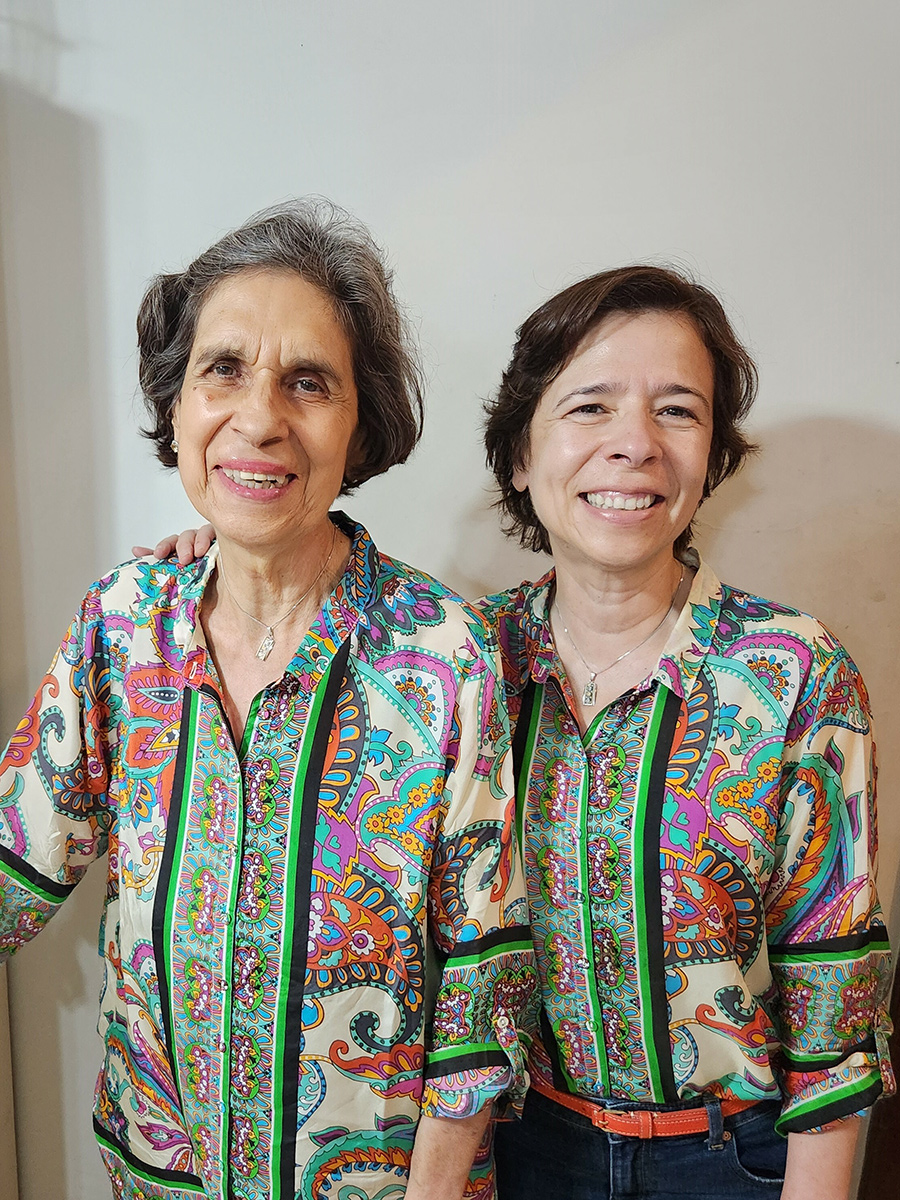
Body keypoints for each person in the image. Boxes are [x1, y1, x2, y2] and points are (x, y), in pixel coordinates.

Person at [146, 263, 894, 1199]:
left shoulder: (795, 673)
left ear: (712, 456)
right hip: (516, 1154)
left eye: (678, 411)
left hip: (731, 1161)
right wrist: (217, 552)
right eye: (588, 408)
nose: (635, 446)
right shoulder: (453, 662)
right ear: (518, 456)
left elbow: (838, 1017)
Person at [0, 200, 536, 1200]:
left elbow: (484, 983)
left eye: (308, 383)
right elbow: (16, 860)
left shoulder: (440, 652)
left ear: (359, 423)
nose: (259, 418)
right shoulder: (122, 625)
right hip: (161, 1178)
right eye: (223, 369)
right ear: (176, 402)